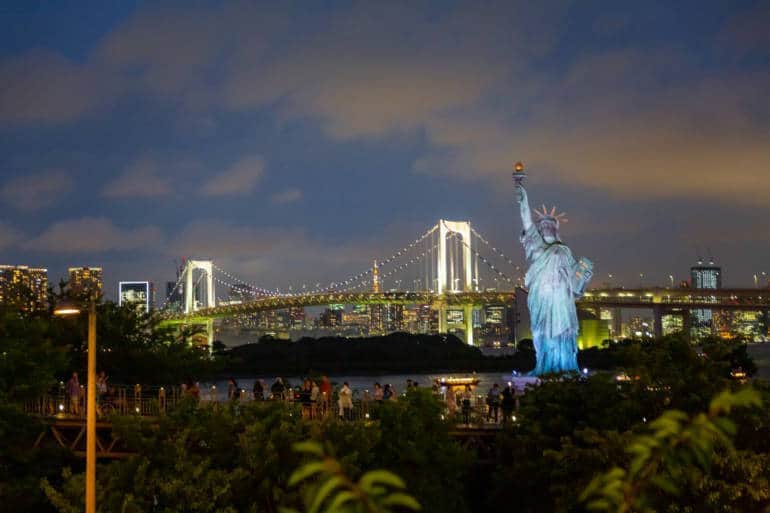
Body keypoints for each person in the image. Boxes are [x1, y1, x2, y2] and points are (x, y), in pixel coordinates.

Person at [516, 182, 593, 374]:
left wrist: (585, 275)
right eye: (543, 224)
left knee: (562, 331)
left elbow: (576, 281)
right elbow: (526, 220)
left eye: (550, 224)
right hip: (541, 297)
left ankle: (564, 365)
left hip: (560, 297)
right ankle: (544, 365)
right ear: (540, 230)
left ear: (555, 228)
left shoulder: (564, 250)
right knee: (543, 331)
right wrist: (523, 197)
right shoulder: (536, 246)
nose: (546, 226)